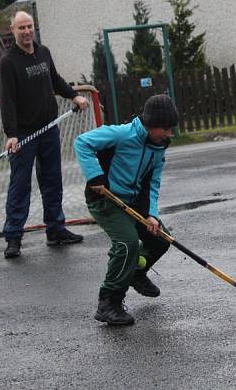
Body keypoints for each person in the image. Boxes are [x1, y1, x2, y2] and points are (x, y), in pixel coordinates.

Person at [74, 94, 177, 326]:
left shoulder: (158, 147)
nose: (170, 134)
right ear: (151, 124)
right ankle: (109, 302)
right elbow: (82, 142)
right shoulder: (122, 134)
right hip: (105, 199)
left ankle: (135, 273)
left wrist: (151, 213)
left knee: (160, 239)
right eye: (166, 129)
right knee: (127, 243)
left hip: (133, 202)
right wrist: (95, 177)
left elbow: (153, 182)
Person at [0, 11, 88, 259]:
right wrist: (12, 134)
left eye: (29, 27)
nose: (26, 32)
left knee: (52, 180)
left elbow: (56, 80)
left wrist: (74, 95)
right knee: (20, 185)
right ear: (13, 31)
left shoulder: (43, 52)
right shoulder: (8, 62)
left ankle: (56, 229)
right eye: (21, 28)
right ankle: (13, 237)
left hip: (49, 128)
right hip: (24, 135)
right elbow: (7, 101)